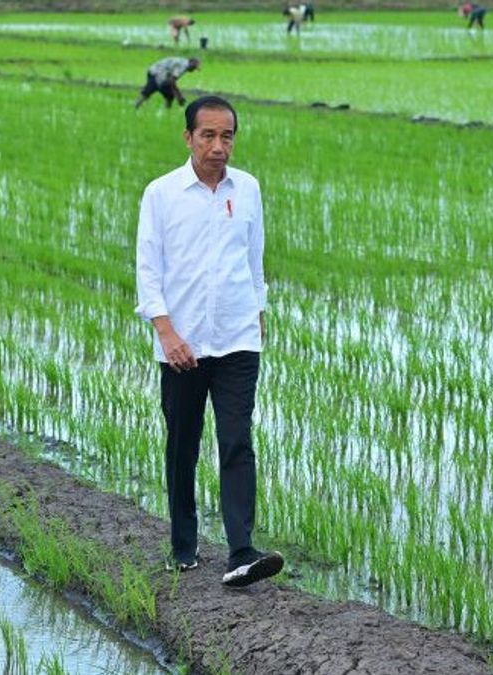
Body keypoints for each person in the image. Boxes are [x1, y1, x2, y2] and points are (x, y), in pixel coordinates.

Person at [135, 96, 284, 588]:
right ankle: (184, 544)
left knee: (237, 440)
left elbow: (255, 257)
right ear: (188, 138)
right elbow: (148, 271)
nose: (219, 147)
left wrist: (257, 311)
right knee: (183, 444)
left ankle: (241, 551)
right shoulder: (161, 194)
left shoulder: (249, 190)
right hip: (183, 345)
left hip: (238, 337)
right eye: (209, 136)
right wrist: (166, 332)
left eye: (227, 137)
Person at [134, 56, 200, 109]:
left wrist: (178, 95)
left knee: (170, 95)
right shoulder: (182, 66)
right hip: (156, 73)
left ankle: (167, 112)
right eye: (194, 67)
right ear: (191, 62)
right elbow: (172, 81)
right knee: (149, 91)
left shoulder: (183, 62)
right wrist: (179, 96)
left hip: (162, 74)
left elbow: (170, 80)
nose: (193, 70)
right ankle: (135, 106)